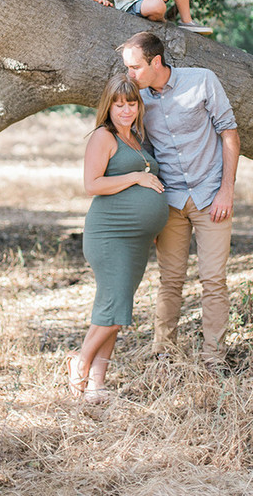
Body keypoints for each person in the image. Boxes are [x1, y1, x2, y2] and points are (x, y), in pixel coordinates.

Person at [121, 31, 240, 369]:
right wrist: (148, 211)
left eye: (134, 67)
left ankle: (214, 358)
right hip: (169, 201)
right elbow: (138, 154)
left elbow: (229, 134)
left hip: (211, 197)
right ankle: (164, 353)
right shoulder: (138, 100)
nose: (129, 75)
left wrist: (226, 191)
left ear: (155, 62)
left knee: (213, 280)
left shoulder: (203, 81)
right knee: (170, 280)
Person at [67, 73, 169, 402]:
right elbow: (92, 185)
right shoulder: (103, 137)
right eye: (118, 104)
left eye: (131, 103)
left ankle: (96, 386)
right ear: (108, 107)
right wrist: (137, 176)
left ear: (139, 106)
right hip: (111, 234)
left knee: (116, 312)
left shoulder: (137, 139)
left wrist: (150, 226)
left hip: (136, 241)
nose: (125, 110)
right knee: (113, 310)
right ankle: (79, 365)